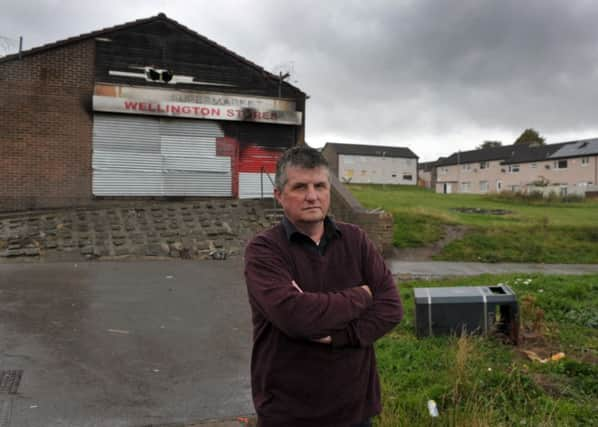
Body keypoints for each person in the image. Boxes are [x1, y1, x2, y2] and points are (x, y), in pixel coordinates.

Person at [244, 146, 403, 427]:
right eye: (300, 187)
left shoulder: (356, 240)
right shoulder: (265, 251)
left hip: (354, 410)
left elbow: (391, 308)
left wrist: (341, 334)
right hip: (288, 413)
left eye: (320, 185)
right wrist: (362, 295)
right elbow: (296, 317)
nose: (312, 196)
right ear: (279, 195)